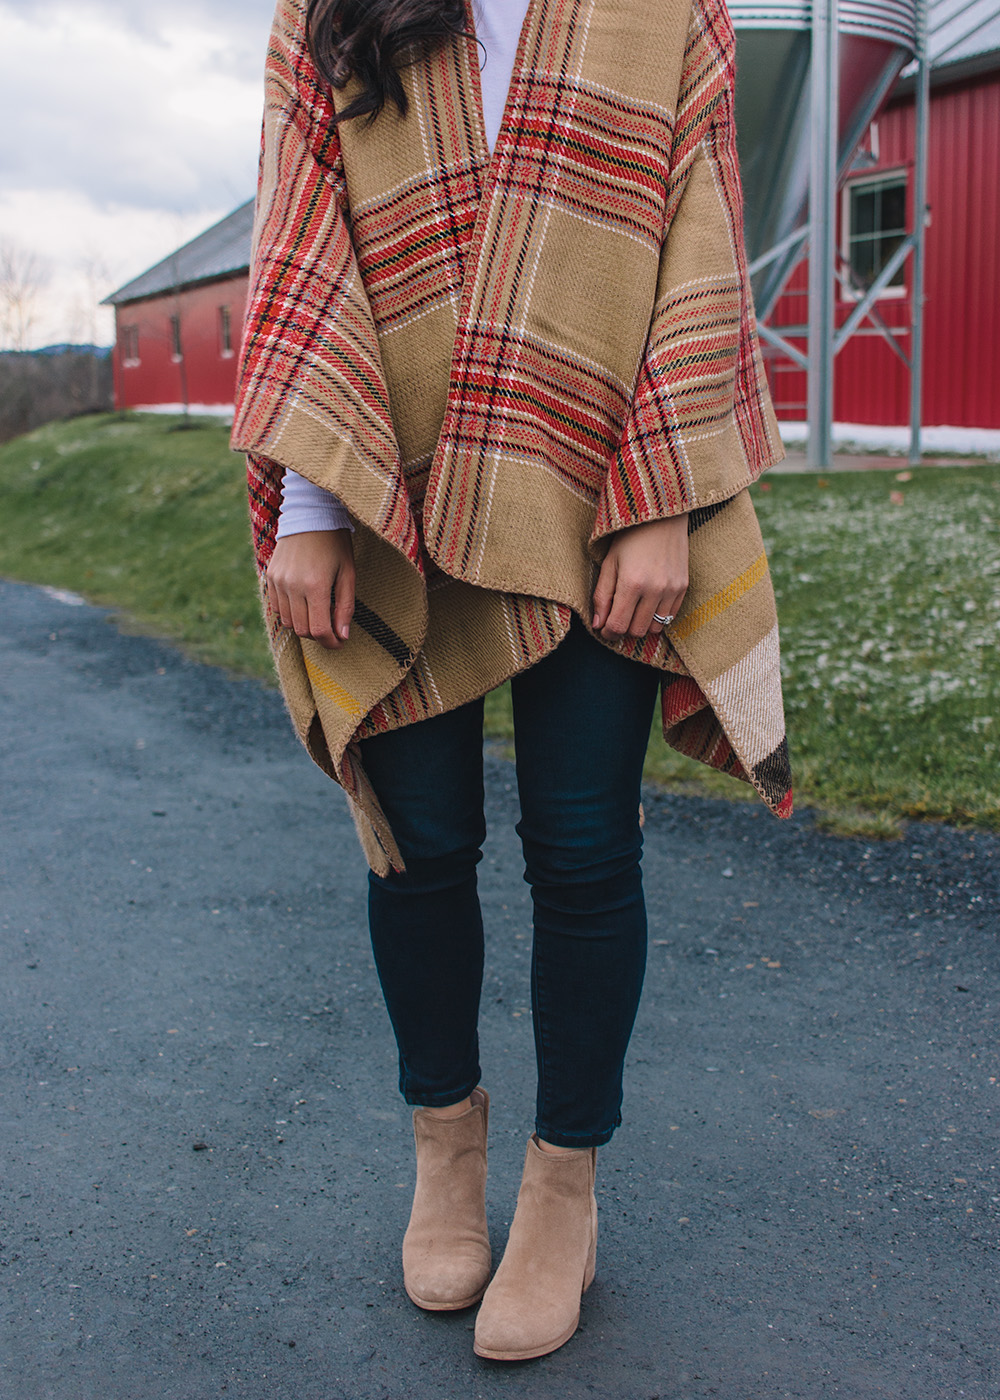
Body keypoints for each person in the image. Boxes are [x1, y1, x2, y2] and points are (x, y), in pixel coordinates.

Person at [232, 0, 792, 1362]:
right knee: (419, 846)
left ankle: (561, 1188)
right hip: (392, 485)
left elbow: (698, 234)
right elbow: (303, 236)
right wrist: (312, 505)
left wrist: (663, 497)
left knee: (584, 847)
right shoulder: (331, 8)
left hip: (604, 478)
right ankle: (445, 1153)